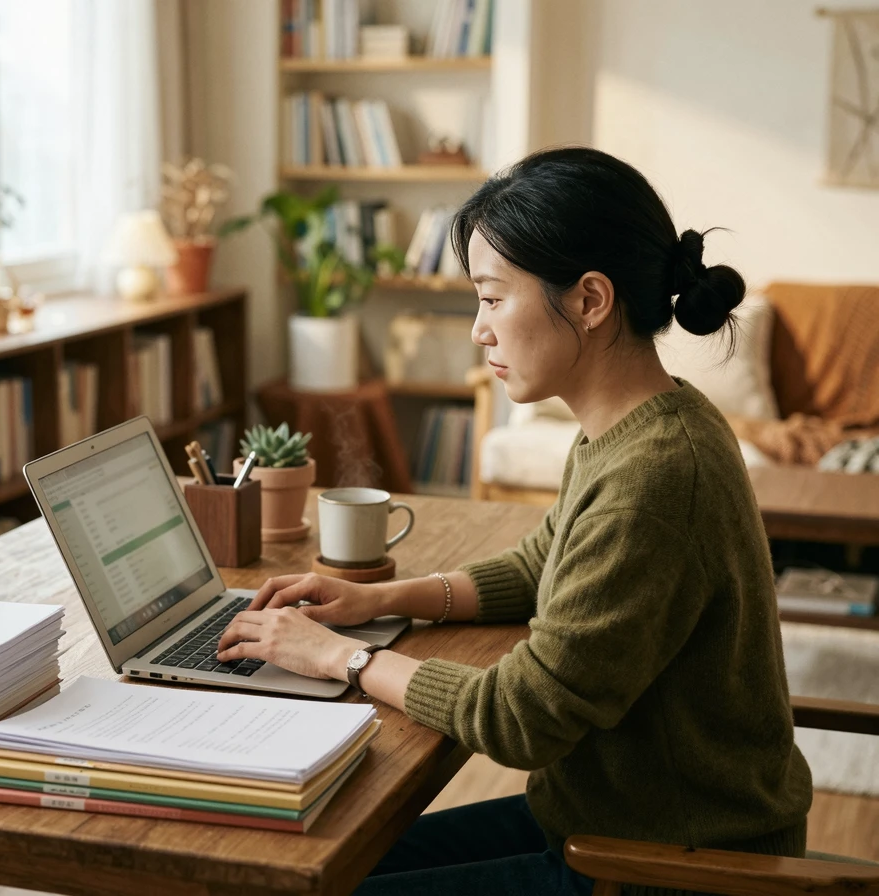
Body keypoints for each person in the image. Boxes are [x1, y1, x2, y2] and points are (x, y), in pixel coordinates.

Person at [216, 146, 812, 896]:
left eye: (493, 299)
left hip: (670, 864)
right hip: (603, 821)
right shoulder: (646, 422)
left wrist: (342, 657)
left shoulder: (656, 475)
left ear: (591, 300)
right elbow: (543, 562)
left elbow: (522, 718)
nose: (478, 330)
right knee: (308, 868)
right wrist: (381, 599)